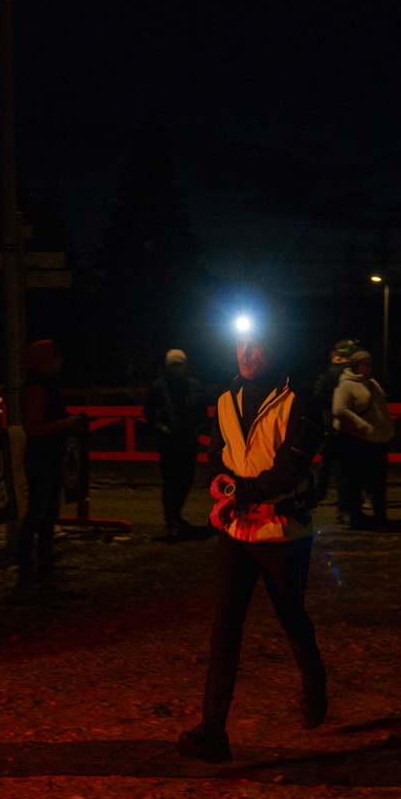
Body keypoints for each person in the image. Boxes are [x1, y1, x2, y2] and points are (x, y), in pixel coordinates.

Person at [178, 325, 326, 763]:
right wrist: (217, 482)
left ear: (274, 348)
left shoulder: (300, 400)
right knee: (224, 626)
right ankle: (213, 731)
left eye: (255, 345)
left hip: (281, 532)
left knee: (291, 617)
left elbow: (288, 471)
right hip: (237, 531)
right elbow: (217, 454)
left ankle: (314, 681)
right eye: (240, 345)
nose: (245, 353)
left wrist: (236, 496)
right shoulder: (227, 399)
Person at [16, 340, 78, 587]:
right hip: (42, 457)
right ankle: (28, 568)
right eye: (55, 356)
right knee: (38, 512)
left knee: (48, 512)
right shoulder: (37, 388)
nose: (59, 361)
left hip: (48, 455)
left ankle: (42, 565)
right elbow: (32, 428)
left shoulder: (44, 385)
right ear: (43, 360)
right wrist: (66, 423)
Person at [143, 349, 206, 538]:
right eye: (174, 365)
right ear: (168, 367)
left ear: (185, 365)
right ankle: (170, 518)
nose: (177, 368)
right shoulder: (159, 387)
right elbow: (148, 413)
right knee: (171, 481)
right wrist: (163, 429)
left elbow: (203, 412)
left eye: (180, 364)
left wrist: (197, 429)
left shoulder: (195, 385)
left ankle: (176, 514)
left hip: (188, 441)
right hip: (169, 443)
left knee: (186, 479)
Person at [331, 349, 395, 530]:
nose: (368, 368)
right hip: (357, 440)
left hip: (377, 439)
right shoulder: (347, 385)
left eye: (369, 364)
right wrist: (363, 426)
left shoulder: (372, 383)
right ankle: (356, 517)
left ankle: (380, 516)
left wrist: (387, 429)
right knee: (356, 480)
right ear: (355, 366)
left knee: (378, 481)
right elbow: (339, 409)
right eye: (364, 364)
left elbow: (382, 408)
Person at [313, 338, 358, 521]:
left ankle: (318, 496)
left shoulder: (326, 375)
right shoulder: (351, 376)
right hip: (347, 428)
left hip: (330, 427)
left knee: (327, 465)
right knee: (343, 470)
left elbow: (317, 399)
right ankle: (343, 507)